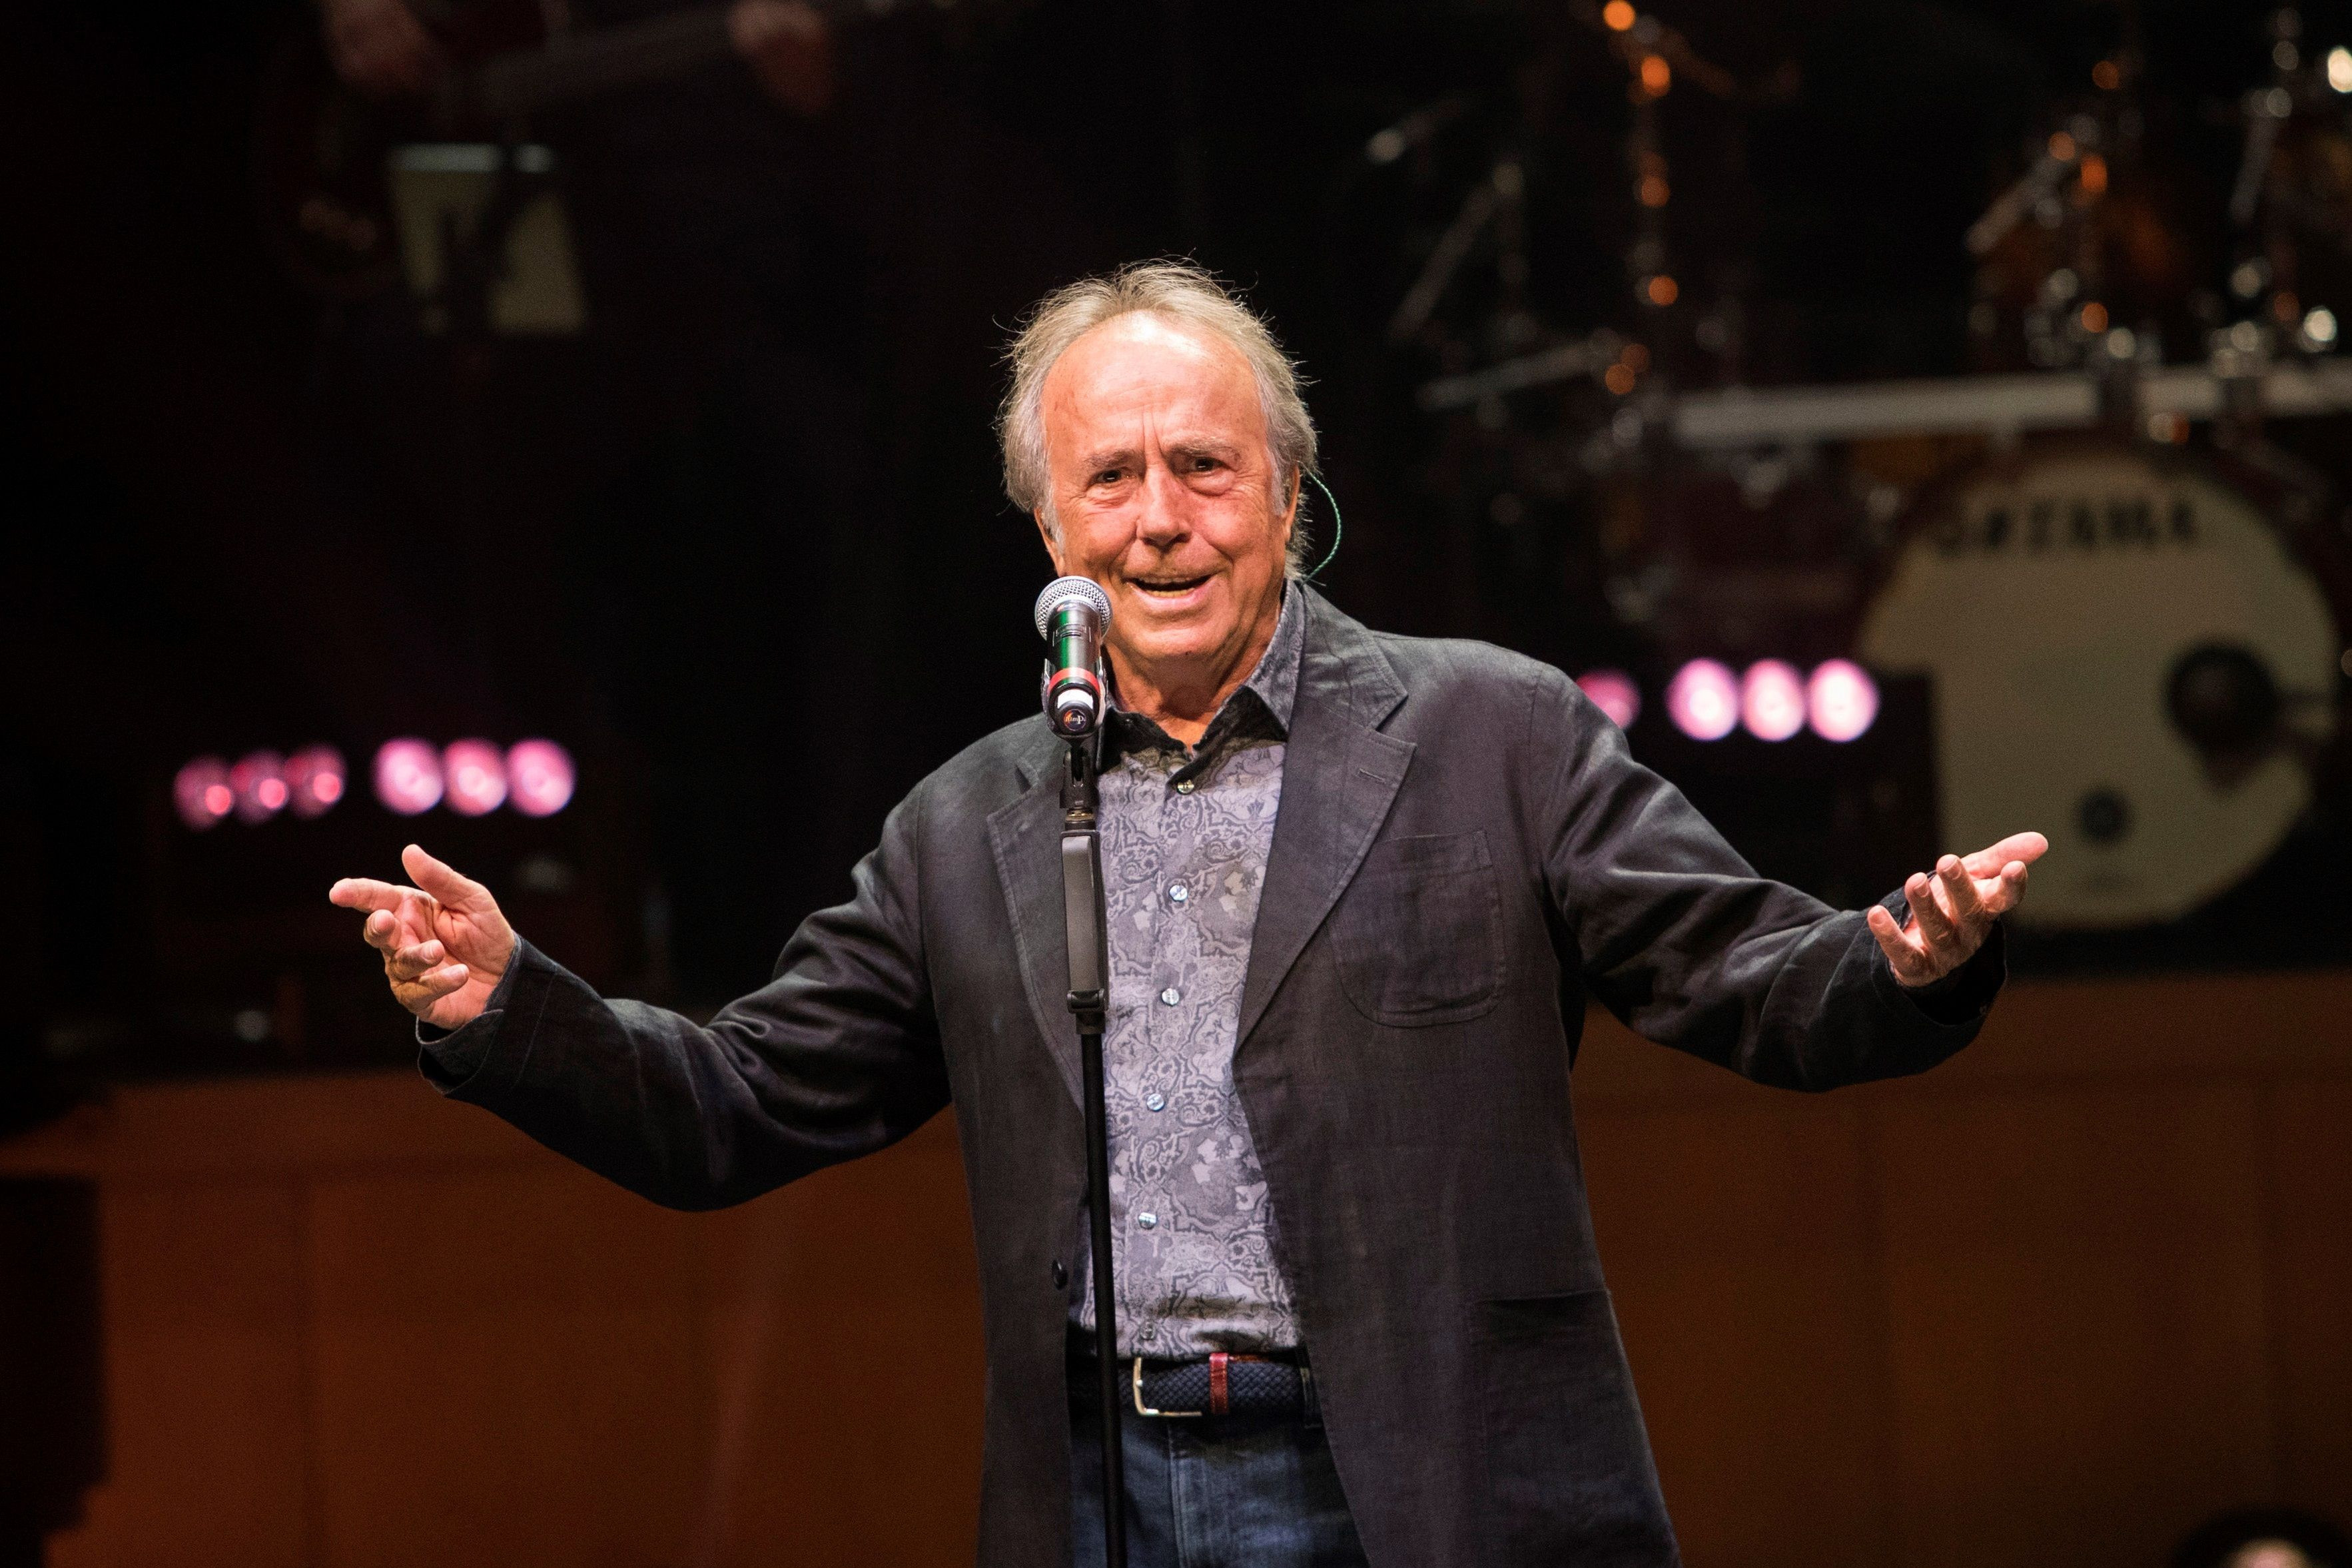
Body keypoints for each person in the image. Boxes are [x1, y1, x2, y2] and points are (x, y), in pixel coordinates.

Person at [329, 260, 2044, 1568]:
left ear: (1286, 501)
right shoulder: (965, 822)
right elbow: (735, 1103)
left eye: (1204, 469)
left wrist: (1895, 959)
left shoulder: (1486, 734)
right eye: (1111, 479)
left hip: (1433, 1480)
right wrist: (506, 1008)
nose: (1159, 520)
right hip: (1106, 1495)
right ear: (1047, 524)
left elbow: (1743, 971)